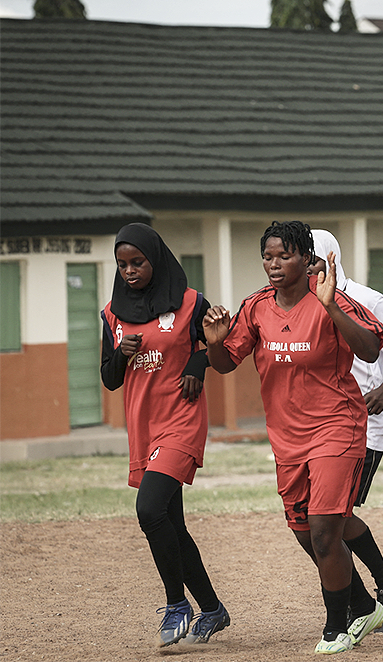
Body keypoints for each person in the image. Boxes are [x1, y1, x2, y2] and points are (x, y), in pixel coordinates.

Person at [203, 221, 383, 655]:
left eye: (284, 256)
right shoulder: (256, 308)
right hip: (287, 438)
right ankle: (366, 606)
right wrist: (213, 344)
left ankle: (336, 627)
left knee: (325, 531)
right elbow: (226, 363)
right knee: (307, 534)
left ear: (307, 259)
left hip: (337, 427)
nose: (274, 264)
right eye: (268, 257)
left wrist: (332, 308)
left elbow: (370, 349)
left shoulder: (331, 298)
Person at [100, 223, 230, 647]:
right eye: (122, 264)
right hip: (144, 427)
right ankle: (212, 609)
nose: (130, 271)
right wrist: (120, 356)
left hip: (182, 420)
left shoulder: (191, 303)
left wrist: (198, 364)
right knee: (171, 523)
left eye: (137, 262)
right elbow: (109, 380)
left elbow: (220, 350)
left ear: (155, 259)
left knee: (149, 509)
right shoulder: (112, 314)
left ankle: (177, 605)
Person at [307, 230, 383, 634]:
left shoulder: (368, 300)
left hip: (363, 426)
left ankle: (378, 590)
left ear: (330, 258)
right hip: (317, 427)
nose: (307, 268)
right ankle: (369, 595)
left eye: (313, 260)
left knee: (332, 517)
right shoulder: (298, 302)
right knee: (323, 517)